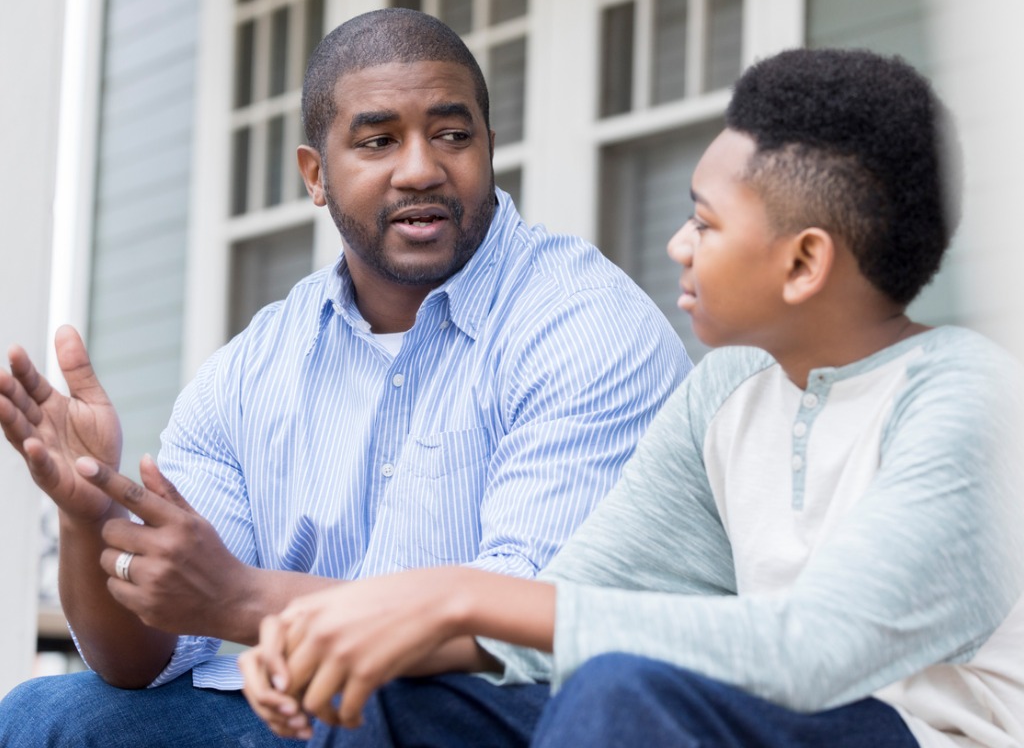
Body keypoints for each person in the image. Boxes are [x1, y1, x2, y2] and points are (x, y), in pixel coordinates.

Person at [240, 48, 1024, 748]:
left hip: (916, 731)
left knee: (621, 690)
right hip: (743, 715)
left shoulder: (965, 399)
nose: (677, 245)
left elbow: (812, 649)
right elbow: (570, 608)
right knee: (408, 697)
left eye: (705, 224)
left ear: (802, 263)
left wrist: (457, 594)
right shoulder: (727, 389)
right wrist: (346, 630)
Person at [0, 8, 689, 747]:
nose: (422, 168)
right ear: (315, 174)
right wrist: (87, 515)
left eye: (453, 135)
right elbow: (143, 659)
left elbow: (525, 629)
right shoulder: (255, 367)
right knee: (46, 717)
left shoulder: (581, 322)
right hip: (310, 717)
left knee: (376, 708)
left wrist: (240, 600)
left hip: (519, 718)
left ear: (489, 147)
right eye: (378, 140)